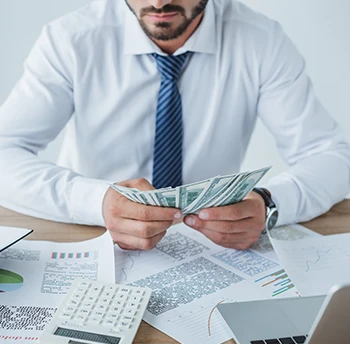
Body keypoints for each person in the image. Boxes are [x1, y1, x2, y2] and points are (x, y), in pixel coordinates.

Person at [0, 0, 349, 251]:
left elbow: (331, 155)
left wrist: (270, 204)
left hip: (215, 249)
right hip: (92, 240)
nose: (159, 1)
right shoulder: (70, 40)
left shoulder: (261, 41)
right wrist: (96, 201)